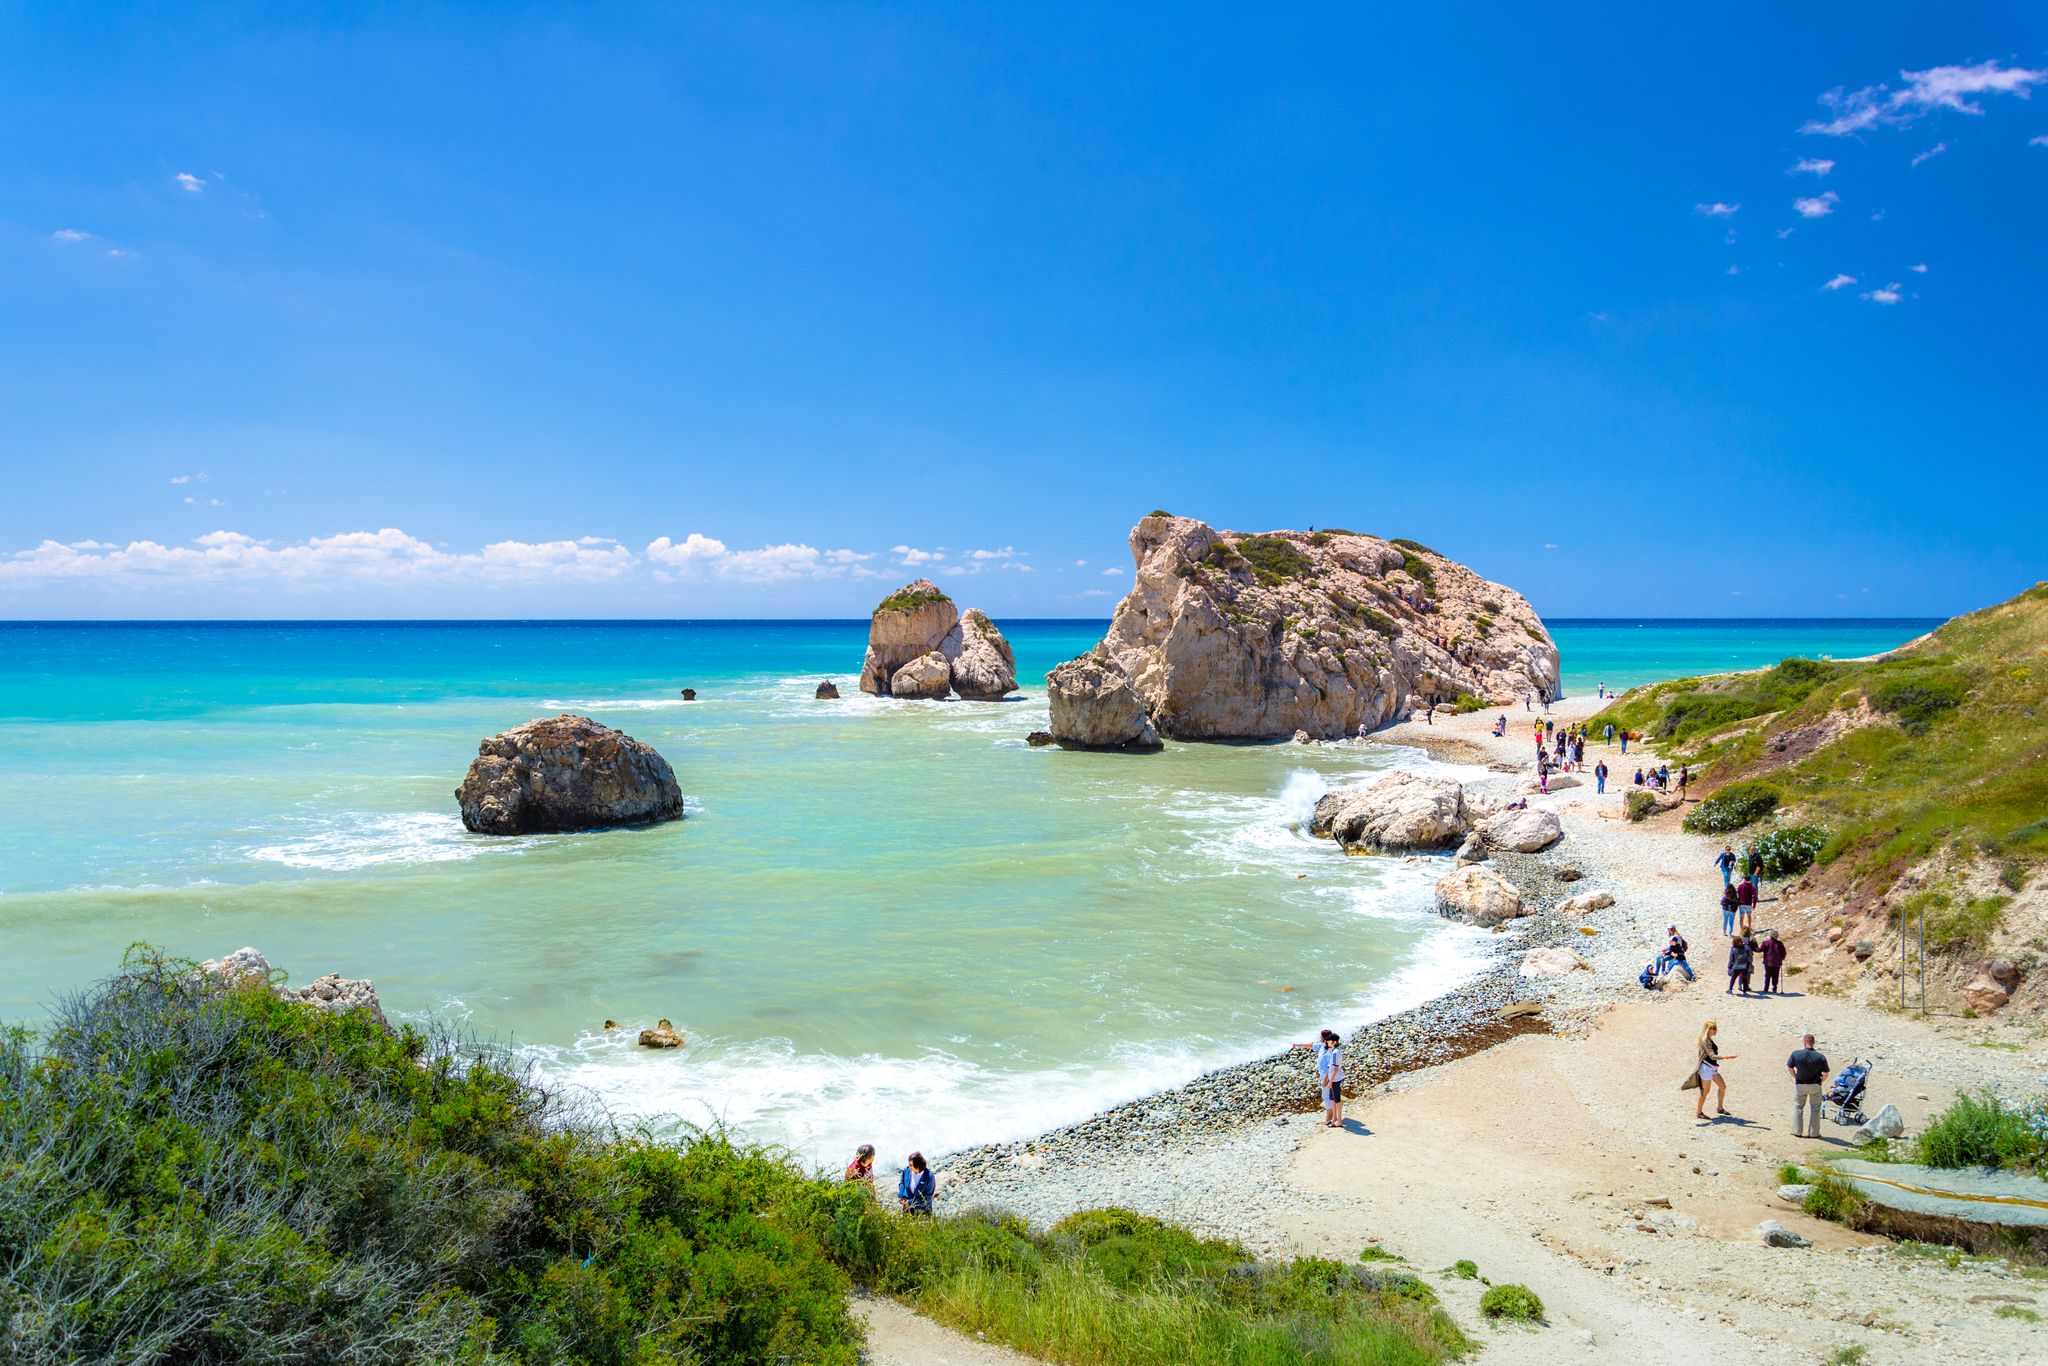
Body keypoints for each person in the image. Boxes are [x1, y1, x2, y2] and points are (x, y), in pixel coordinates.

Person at [1291, 1029, 1346, 1128]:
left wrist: (1325, 1079)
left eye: (1321, 1037)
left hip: (1328, 1076)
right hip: (1324, 1075)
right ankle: (1333, 1117)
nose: (1319, 1039)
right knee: (1330, 1096)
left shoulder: (1331, 1051)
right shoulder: (1322, 1046)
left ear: (1326, 1039)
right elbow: (1312, 1045)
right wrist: (1297, 1045)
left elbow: (1331, 1067)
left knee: (1327, 1096)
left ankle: (1329, 1117)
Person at [1683, 1021, 1733, 1119]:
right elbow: (1712, 1055)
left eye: (1716, 1028)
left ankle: (1719, 1108)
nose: (1716, 1030)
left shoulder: (1709, 1039)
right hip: (1706, 1068)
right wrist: (1725, 1057)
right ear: (1708, 1029)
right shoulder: (1705, 1040)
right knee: (1705, 1091)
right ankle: (1699, 1112)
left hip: (1712, 1068)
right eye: (1713, 1028)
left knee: (1722, 1087)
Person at [1787, 1035, 1830, 1138]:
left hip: (1800, 1084)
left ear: (1804, 1042)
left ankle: (1797, 1131)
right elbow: (1826, 1073)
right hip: (1815, 1085)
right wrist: (1820, 1081)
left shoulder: (1796, 1054)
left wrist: (1795, 1077)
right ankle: (1813, 1133)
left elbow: (1790, 1068)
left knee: (1798, 1107)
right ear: (1814, 1042)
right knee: (1815, 1109)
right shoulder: (1820, 1057)